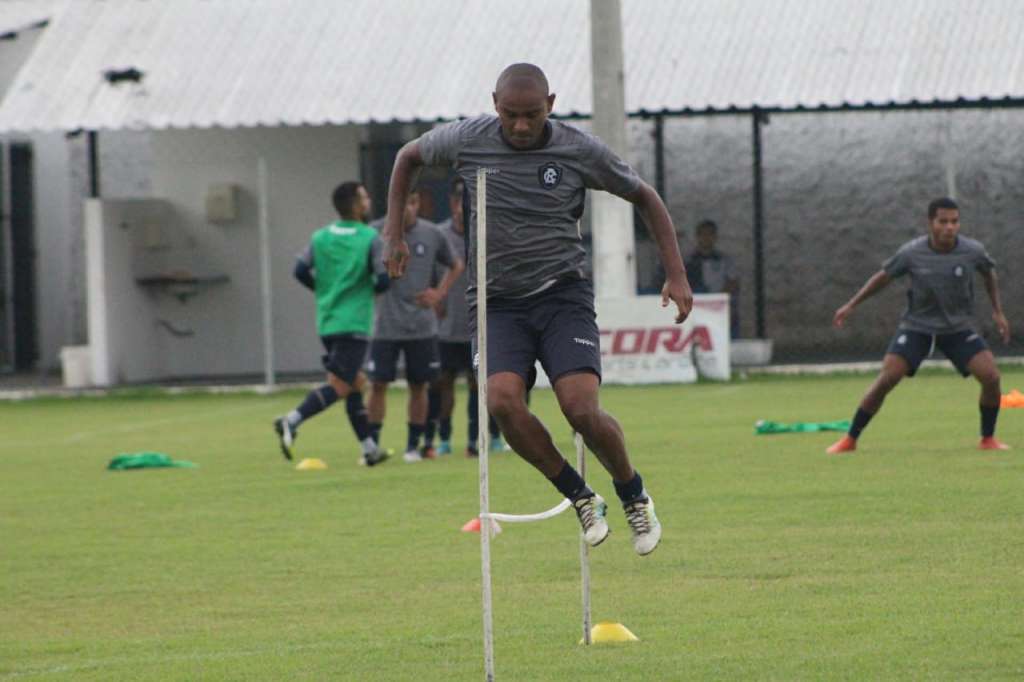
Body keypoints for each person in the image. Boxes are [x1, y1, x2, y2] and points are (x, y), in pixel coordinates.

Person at [382, 63, 693, 556]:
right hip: (497, 302)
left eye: (531, 114)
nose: (521, 126)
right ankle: (580, 496)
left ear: (551, 102)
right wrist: (393, 232)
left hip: (560, 295)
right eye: (511, 115)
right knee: (502, 402)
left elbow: (644, 196)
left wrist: (675, 272)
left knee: (580, 409)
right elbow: (407, 157)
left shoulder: (576, 149)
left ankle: (634, 495)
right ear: (494, 104)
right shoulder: (467, 139)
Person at [827, 197, 1011, 454]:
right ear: (930, 223)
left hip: (957, 328)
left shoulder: (973, 251)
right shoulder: (911, 253)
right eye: (943, 222)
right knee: (887, 378)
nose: (950, 227)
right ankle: (850, 439)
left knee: (991, 377)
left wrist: (998, 312)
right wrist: (851, 305)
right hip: (917, 326)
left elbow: (988, 272)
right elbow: (883, 277)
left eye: (954, 222)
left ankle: (988, 439)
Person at [274, 181, 390, 467]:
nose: (368, 199)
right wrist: (368, 290)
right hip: (355, 322)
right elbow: (384, 279)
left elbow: (300, 270)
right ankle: (292, 420)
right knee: (341, 384)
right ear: (355, 204)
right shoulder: (369, 237)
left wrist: (323, 291)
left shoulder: (320, 236)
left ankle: (369, 449)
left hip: (327, 319)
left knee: (355, 383)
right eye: (364, 196)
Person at [368, 192, 465, 463]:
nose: (406, 209)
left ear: (417, 203)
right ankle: (371, 445)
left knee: (419, 385)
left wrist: (439, 293)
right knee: (377, 385)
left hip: (422, 326)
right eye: (401, 203)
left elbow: (456, 264)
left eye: (411, 203)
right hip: (384, 325)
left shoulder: (432, 233)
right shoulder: (373, 233)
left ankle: (413, 446)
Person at [423, 177, 507, 458]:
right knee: (443, 383)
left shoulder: (487, 232)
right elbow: (428, 274)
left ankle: (480, 439)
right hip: (446, 326)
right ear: (452, 202)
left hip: (479, 325)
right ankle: (444, 438)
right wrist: (435, 299)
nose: (463, 206)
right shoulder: (439, 234)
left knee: (479, 384)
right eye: (459, 200)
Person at [684, 220, 740, 338]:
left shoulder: (725, 260)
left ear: (715, 237)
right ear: (697, 236)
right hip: (696, 307)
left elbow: (733, 282)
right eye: (703, 234)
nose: (706, 238)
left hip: (721, 307)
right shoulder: (688, 261)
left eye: (710, 234)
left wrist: (718, 300)